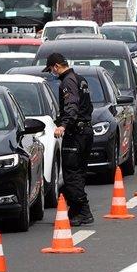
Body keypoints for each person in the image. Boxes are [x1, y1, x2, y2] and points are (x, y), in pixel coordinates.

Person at [46, 52, 94, 226]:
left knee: (72, 174)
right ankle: (76, 211)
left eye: (52, 69)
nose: (53, 73)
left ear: (57, 66)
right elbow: (88, 106)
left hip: (75, 134)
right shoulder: (80, 79)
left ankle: (84, 211)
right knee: (79, 173)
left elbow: (71, 105)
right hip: (86, 131)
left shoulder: (68, 82)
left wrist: (63, 125)